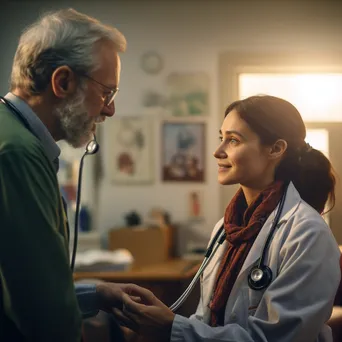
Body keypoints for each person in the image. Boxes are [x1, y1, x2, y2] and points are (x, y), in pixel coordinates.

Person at [113, 95, 341, 342]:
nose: (217, 151)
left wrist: (172, 328)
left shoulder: (307, 233)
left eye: (233, 140)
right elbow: (207, 321)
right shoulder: (225, 229)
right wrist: (161, 321)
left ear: (276, 149)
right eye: (221, 138)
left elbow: (277, 338)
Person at [0, 8, 130, 342]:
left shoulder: (14, 136)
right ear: (63, 81)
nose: (110, 109)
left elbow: (25, 282)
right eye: (106, 92)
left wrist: (96, 294)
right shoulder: (18, 153)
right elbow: (43, 311)